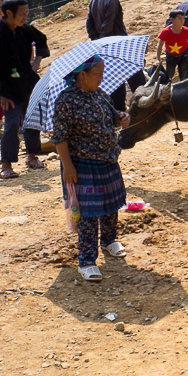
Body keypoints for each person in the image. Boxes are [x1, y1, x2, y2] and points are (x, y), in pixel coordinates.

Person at [53, 54, 130, 282]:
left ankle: (108, 240)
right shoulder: (66, 100)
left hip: (107, 159)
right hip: (82, 164)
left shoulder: (100, 94)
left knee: (110, 205)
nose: (101, 78)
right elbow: (60, 136)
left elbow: (111, 115)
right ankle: (86, 260)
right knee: (88, 214)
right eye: (98, 74)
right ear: (82, 75)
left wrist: (120, 118)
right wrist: (68, 165)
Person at [0, 0, 45, 178]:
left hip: (28, 83)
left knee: (32, 120)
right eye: (22, 13)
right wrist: (2, 92)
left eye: (26, 12)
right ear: (9, 13)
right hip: (8, 90)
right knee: (11, 125)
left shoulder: (26, 31)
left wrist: (37, 60)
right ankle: (6, 165)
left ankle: (31, 157)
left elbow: (42, 41)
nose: (25, 16)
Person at [86, 0, 143, 111]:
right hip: (117, 44)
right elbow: (108, 25)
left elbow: (89, 23)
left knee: (115, 79)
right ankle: (144, 105)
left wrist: (96, 40)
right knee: (136, 76)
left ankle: (118, 110)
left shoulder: (93, 0)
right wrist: (105, 42)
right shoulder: (112, 0)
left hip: (103, 44)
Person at [155, 9, 188, 82]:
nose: (182, 21)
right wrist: (158, 58)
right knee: (169, 74)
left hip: (183, 55)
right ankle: (168, 87)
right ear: (172, 19)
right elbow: (160, 45)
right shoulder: (166, 31)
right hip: (170, 57)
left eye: (183, 18)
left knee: (184, 73)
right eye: (179, 18)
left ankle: (183, 88)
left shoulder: (185, 30)